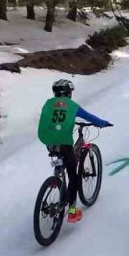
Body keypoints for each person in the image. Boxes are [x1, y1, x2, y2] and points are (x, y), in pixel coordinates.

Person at [37, 79, 112, 223]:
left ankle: (58, 172)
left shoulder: (48, 103)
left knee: (61, 158)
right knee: (73, 175)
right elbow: (90, 117)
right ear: (68, 93)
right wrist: (103, 123)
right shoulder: (72, 106)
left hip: (47, 139)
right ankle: (72, 211)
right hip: (64, 141)